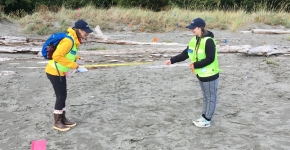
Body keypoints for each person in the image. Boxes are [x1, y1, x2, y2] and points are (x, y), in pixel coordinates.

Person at [165, 18, 220, 127]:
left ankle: (207, 120)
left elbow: (210, 58)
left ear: (200, 28)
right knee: (206, 97)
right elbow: (185, 54)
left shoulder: (209, 40)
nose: (191, 30)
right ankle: (204, 117)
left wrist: (195, 65)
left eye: (193, 28)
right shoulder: (193, 40)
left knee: (211, 97)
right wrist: (171, 60)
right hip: (200, 74)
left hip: (210, 74)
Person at [45, 20, 93, 131]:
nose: (87, 34)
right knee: (61, 96)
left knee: (63, 95)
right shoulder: (68, 41)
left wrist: (77, 58)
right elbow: (57, 56)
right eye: (86, 32)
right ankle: (57, 122)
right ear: (79, 30)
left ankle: (63, 119)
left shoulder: (74, 40)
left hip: (60, 72)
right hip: (54, 72)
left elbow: (69, 54)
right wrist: (73, 65)